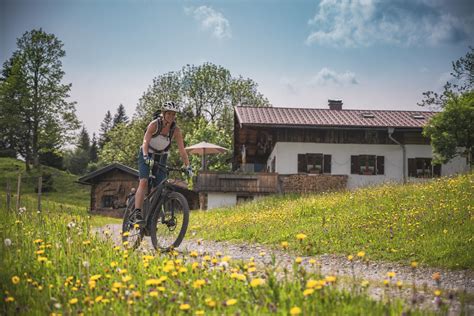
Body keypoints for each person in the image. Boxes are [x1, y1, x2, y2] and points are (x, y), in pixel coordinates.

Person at [133, 101, 193, 226]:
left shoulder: (175, 130)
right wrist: (145, 156)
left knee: (159, 187)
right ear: (164, 113)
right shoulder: (154, 124)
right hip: (147, 153)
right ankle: (137, 213)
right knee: (143, 182)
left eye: (173, 114)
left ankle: (153, 215)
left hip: (161, 156)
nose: (171, 117)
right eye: (169, 114)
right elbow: (145, 141)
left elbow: (182, 150)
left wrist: (188, 166)